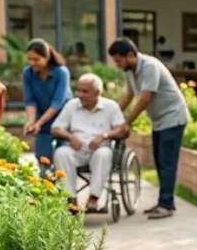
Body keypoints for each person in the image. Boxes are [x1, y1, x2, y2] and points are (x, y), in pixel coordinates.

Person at [109, 37, 190, 220]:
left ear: (131, 55)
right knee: (160, 162)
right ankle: (165, 202)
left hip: (173, 117)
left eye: (119, 60)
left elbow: (145, 98)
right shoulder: (130, 70)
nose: (117, 64)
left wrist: (125, 123)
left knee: (167, 162)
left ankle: (165, 205)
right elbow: (129, 95)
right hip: (159, 121)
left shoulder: (150, 67)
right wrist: (111, 114)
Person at [51, 74, 127, 213]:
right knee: (61, 153)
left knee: (103, 154)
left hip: (100, 150)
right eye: (78, 90)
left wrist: (104, 136)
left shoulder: (111, 107)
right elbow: (55, 128)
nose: (80, 94)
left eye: (85, 91)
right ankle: (71, 199)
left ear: (97, 92)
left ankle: (93, 198)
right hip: (76, 150)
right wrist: (70, 137)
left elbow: (123, 130)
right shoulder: (71, 105)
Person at [22, 39, 72, 168]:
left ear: (47, 57)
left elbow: (58, 102)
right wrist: (31, 122)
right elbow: (30, 100)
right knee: (43, 159)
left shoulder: (61, 72)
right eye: (29, 59)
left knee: (62, 158)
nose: (32, 63)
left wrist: (38, 123)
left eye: (36, 59)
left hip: (63, 120)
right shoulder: (28, 73)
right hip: (43, 120)